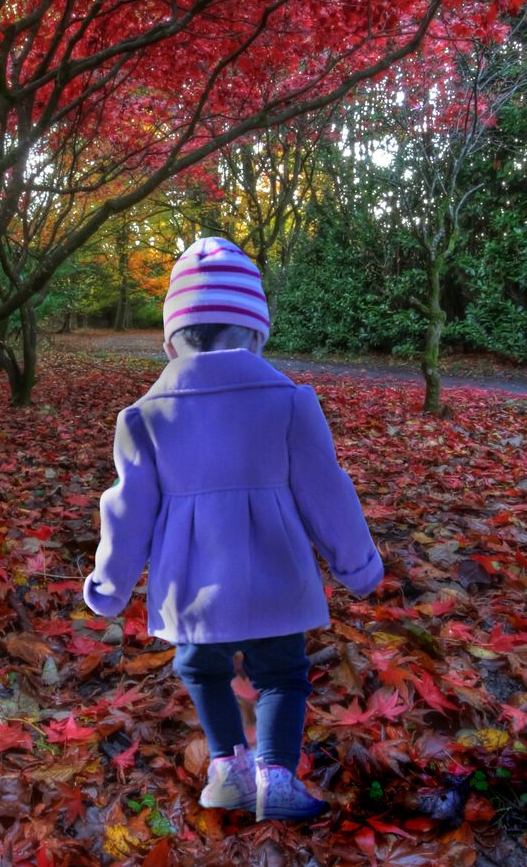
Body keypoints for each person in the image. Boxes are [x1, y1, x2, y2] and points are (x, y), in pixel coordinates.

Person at [82, 235, 384, 822]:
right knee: (283, 674)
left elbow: (127, 509)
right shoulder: (290, 402)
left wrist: (111, 585)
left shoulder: (144, 417)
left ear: (172, 341)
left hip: (191, 580)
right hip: (275, 571)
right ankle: (276, 776)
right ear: (254, 335)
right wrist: (357, 565)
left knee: (200, 666)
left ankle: (227, 768)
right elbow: (328, 489)